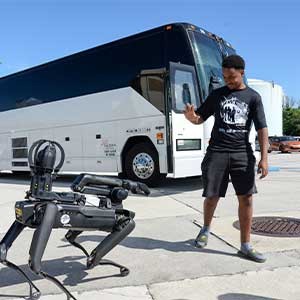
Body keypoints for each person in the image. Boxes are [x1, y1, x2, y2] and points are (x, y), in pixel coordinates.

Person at [184, 54, 269, 263]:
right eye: (224, 77)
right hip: (217, 152)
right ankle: (205, 229)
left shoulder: (253, 97)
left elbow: (262, 128)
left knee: (246, 198)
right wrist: (191, 117)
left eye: (232, 77)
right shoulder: (217, 95)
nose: (228, 81)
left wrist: (264, 158)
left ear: (242, 73)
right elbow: (199, 117)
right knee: (212, 196)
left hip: (242, 153)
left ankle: (245, 245)